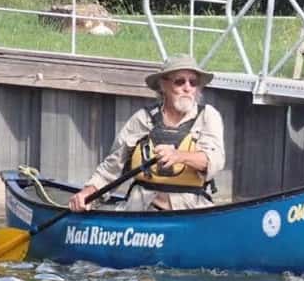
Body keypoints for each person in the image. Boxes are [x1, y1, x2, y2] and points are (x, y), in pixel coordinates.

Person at [68, 54, 225, 212]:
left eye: (193, 82)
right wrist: (87, 194)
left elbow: (214, 160)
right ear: (163, 85)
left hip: (191, 210)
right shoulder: (142, 119)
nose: (187, 88)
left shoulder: (208, 116)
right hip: (140, 210)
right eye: (179, 82)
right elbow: (111, 169)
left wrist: (178, 156)